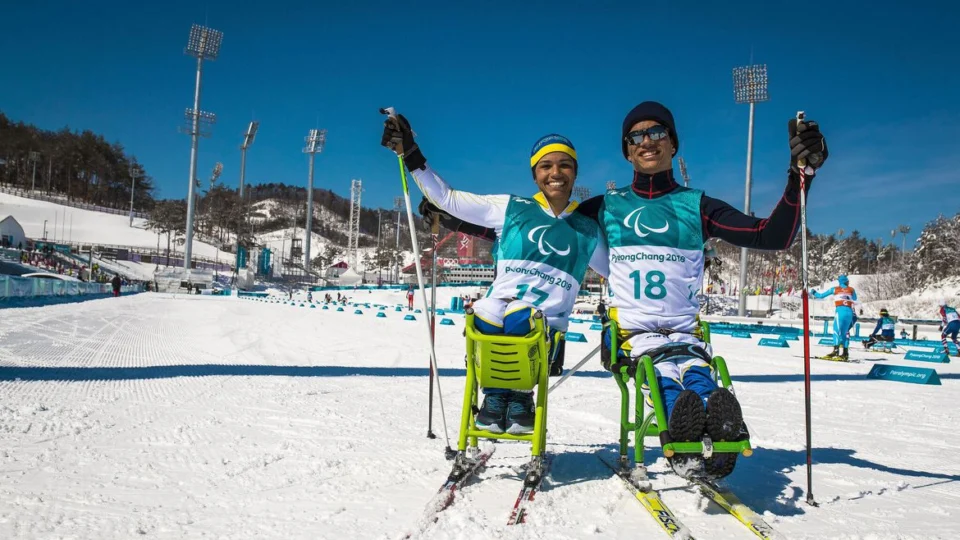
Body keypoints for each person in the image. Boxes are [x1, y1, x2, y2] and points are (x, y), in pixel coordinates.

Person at [423, 101, 828, 479]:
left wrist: (801, 176)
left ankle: (713, 423)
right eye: (637, 136)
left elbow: (772, 235)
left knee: (696, 372)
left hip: (684, 330)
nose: (647, 141)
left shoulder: (698, 206)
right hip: (634, 332)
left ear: (673, 144)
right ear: (627, 151)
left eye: (657, 132)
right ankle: (686, 433)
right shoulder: (604, 207)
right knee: (661, 375)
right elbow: (538, 232)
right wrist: (453, 220)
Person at [381, 114, 609, 435]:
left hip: (545, 336)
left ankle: (519, 398)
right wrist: (410, 153)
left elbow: (620, 272)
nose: (555, 173)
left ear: (575, 172)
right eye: (545, 166)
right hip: (496, 324)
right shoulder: (511, 208)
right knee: (486, 311)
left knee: (520, 314)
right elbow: (447, 198)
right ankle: (496, 397)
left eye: (564, 165)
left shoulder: (588, 230)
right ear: (535, 175)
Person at [811, 275, 857, 359]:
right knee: (845, 332)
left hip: (840, 312)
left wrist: (813, 292)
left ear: (840, 281)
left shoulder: (835, 289)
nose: (848, 282)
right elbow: (855, 298)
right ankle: (845, 353)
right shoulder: (851, 289)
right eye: (848, 281)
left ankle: (836, 351)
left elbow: (821, 296)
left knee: (836, 331)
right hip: (849, 312)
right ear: (846, 281)